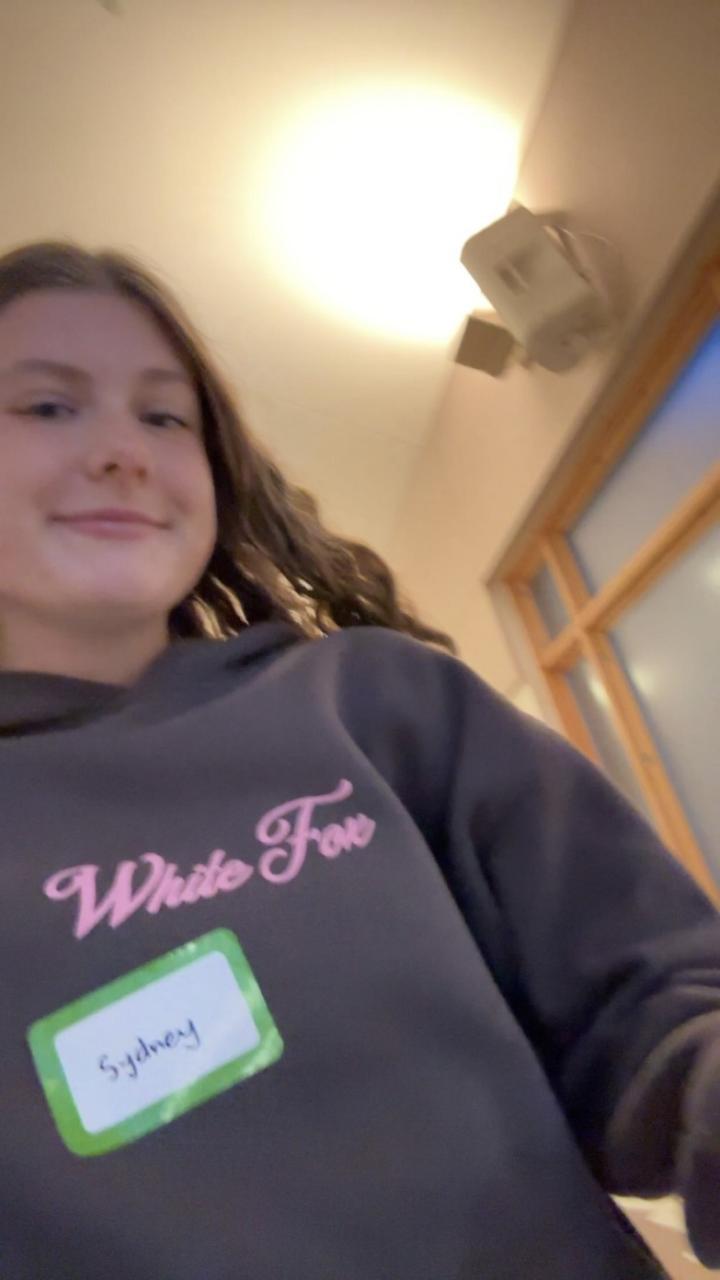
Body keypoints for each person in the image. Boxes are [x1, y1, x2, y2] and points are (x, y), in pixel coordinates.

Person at [0, 240, 718, 1280]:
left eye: (164, 417)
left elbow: (650, 1000)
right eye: (47, 405)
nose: (124, 452)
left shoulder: (379, 702)